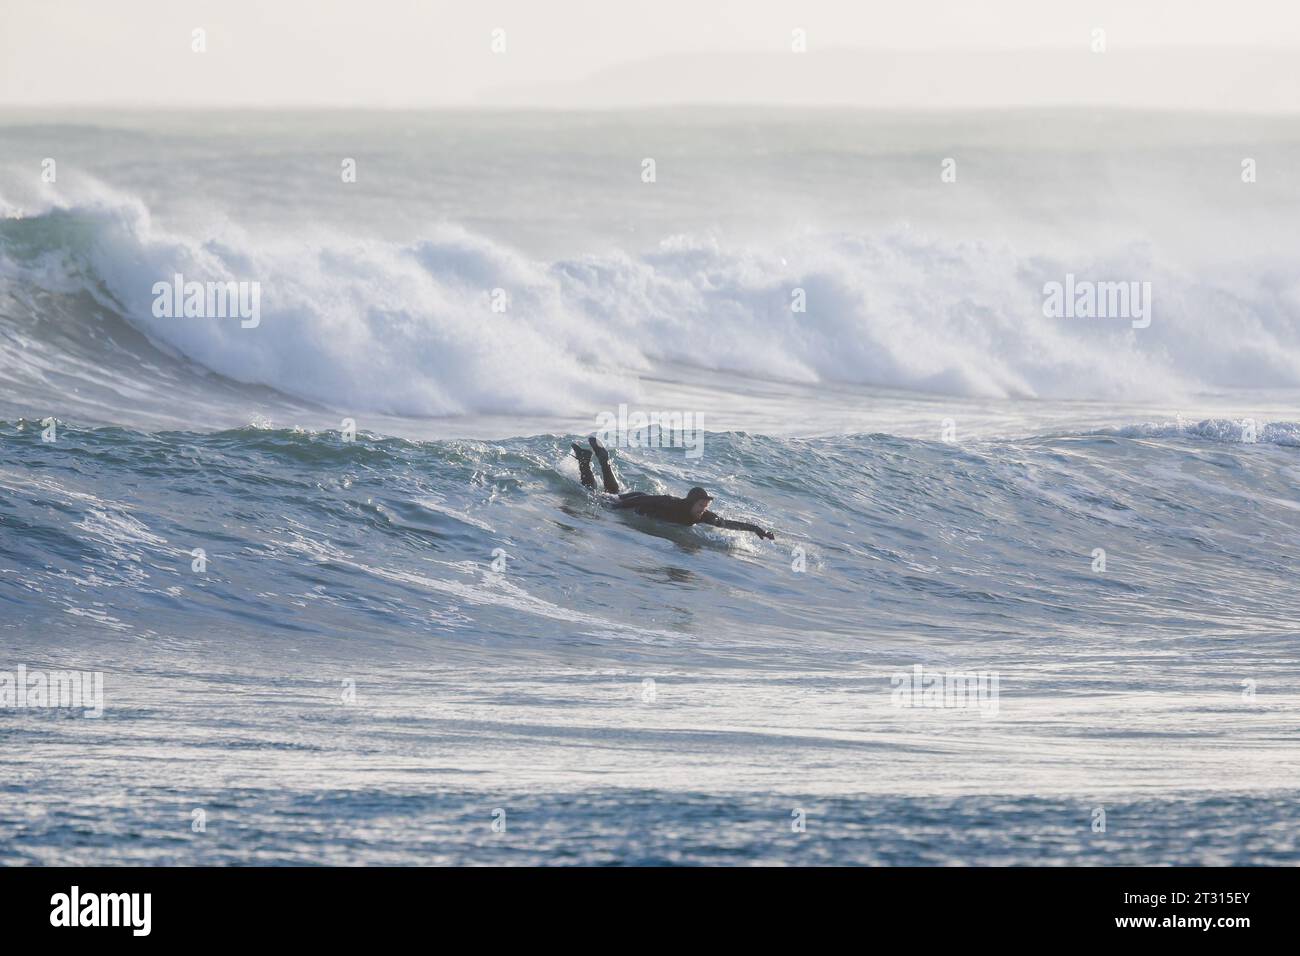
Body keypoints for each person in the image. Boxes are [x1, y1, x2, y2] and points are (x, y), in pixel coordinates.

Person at [572, 436, 775, 540]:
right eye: (701, 505)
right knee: (601, 495)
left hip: (641, 504)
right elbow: (646, 500)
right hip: (637, 502)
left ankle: (596, 459)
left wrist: (756, 529)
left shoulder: (702, 516)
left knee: (611, 491)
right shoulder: (673, 504)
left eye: (705, 505)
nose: (703, 509)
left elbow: (728, 523)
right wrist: (620, 505)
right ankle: (588, 461)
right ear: (691, 502)